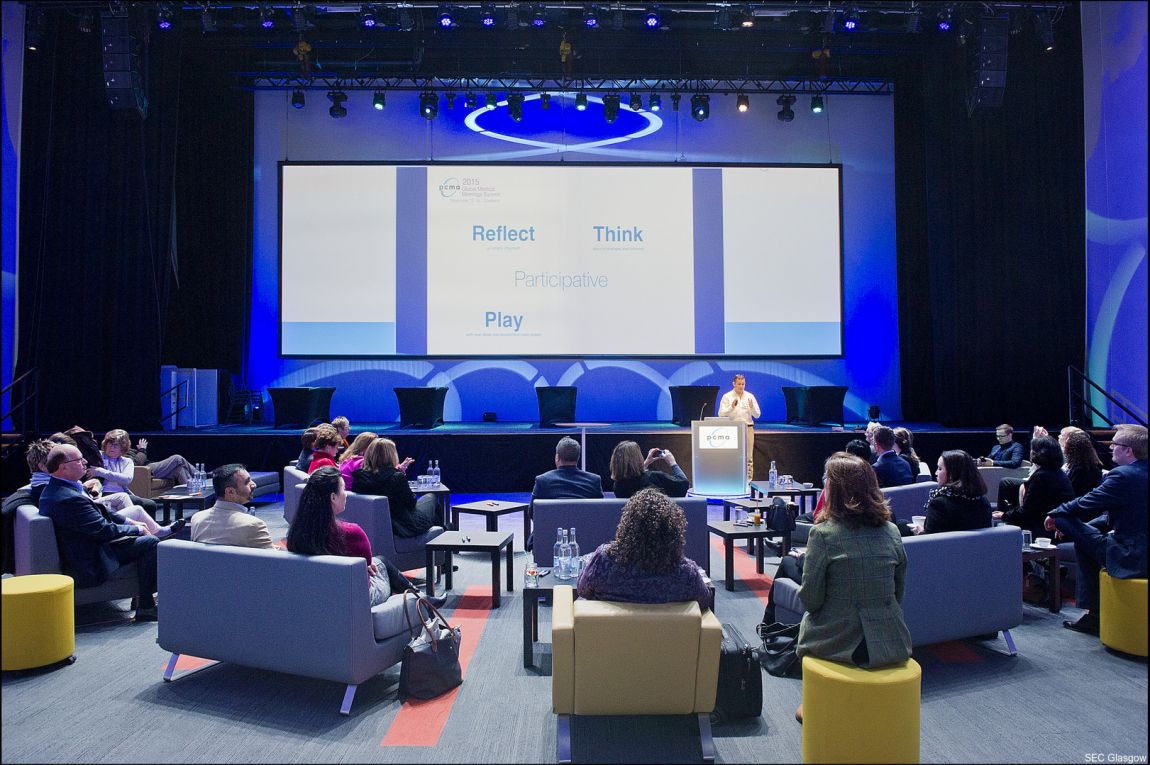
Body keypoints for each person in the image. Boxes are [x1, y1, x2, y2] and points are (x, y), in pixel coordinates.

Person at [37, 444, 161, 621]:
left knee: (142, 533)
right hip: (90, 556)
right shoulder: (68, 498)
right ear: (63, 466)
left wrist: (128, 521)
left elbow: (98, 510)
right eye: (79, 460)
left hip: (90, 543)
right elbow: (103, 530)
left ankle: (142, 596)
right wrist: (138, 529)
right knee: (151, 543)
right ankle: (146, 607)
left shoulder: (61, 489)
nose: (85, 462)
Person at [1047, 424, 1148, 636]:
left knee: (1064, 518)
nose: (1111, 448)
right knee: (1083, 542)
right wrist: (1085, 529)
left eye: (1115, 444)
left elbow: (1083, 504)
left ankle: (1094, 615)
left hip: (1132, 556)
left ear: (1128, 450)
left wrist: (1054, 514)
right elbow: (1111, 515)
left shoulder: (1122, 476)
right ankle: (1093, 615)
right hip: (1138, 547)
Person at [286, 467, 426, 607]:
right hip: (359, 599)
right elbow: (368, 572)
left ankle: (421, 599)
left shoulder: (296, 534)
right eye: (343, 489)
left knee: (381, 561)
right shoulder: (351, 534)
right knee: (382, 564)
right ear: (333, 497)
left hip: (317, 597)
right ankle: (422, 601)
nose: (346, 494)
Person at [576, 489, 711, 611]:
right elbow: (704, 600)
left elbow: (583, 590)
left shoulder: (603, 561)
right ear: (673, 531)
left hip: (607, 636)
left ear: (627, 526)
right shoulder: (686, 574)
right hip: (666, 637)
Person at [526, 437, 604, 551]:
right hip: (586, 539)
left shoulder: (543, 481)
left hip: (548, 540)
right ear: (578, 458)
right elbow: (599, 514)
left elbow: (533, 513)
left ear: (557, 457)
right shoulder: (594, 481)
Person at [352, 438, 438, 538]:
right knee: (431, 498)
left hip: (371, 525)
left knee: (432, 510)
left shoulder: (359, 478)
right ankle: (441, 539)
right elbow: (411, 504)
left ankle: (441, 533)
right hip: (400, 526)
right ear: (391, 455)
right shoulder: (396, 477)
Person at [995, 436, 1074, 541]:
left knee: (1002, 528)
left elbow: (1028, 512)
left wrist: (1004, 515)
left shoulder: (1041, 477)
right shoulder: (1057, 473)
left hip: (1046, 528)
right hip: (1058, 524)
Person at [2, 440, 57, 574]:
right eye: (59, 459)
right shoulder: (51, 494)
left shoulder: (31, 489)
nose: (84, 461)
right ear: (43, 467)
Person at [190, 464, 273, 548]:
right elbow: (273, 560)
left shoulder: (197, 519)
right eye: (247, 482)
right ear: (230, 492)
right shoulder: (254, 525)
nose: (254, 484)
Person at [92, 430, 161, 521]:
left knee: (151, 504)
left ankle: (151, 530)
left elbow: (127, 479)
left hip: (121, 492)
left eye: (115, 445)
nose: (111, 447)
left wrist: (102, 472)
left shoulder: (126, 461)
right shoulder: (99, 457)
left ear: (123, 448)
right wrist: (115, 476)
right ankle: (137, 528)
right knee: (136, 501)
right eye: (109, 444)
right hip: (104, 493)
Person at [919, 451, 991, 534]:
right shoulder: (984, 502)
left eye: (940, 469)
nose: (936, 473)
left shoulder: (939, 505)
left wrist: (920, 532)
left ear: (952, 474)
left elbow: (931, 541)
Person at [608, 441, 689, 499]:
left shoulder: (618, 486)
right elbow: (683, 483)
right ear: (638, 458)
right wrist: (673, 463)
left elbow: (634, 477)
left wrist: (646, 463)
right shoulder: (654, 477)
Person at [718, 373, 761, 482]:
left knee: (749, 457)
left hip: (748, 427)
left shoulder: (750, 396)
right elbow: (721, 414)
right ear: (734, 384)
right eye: (739, 384)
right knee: (732, 456)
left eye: (743, 384)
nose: (741, 386)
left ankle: (748, 482)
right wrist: (731, 407)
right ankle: (732, 479)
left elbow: (757, 415)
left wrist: (751, 408)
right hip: (733, 429)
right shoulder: (727, 396)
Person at [124, 434, 195, 486]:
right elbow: (136, 463)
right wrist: (142, 450)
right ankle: (199, 476)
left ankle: (193, 496)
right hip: (146, 469)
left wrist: (139, 450)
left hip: (148, 466)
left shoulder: (126, 450)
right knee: (177, 458)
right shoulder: (121, 453)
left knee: (179, 469)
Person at [1060, 427, 1105, 497]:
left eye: (1066, 446)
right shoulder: (1094, 464)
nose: (1065, 449)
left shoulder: (1079, 470)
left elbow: (1072, 492)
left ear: (1072, 449)